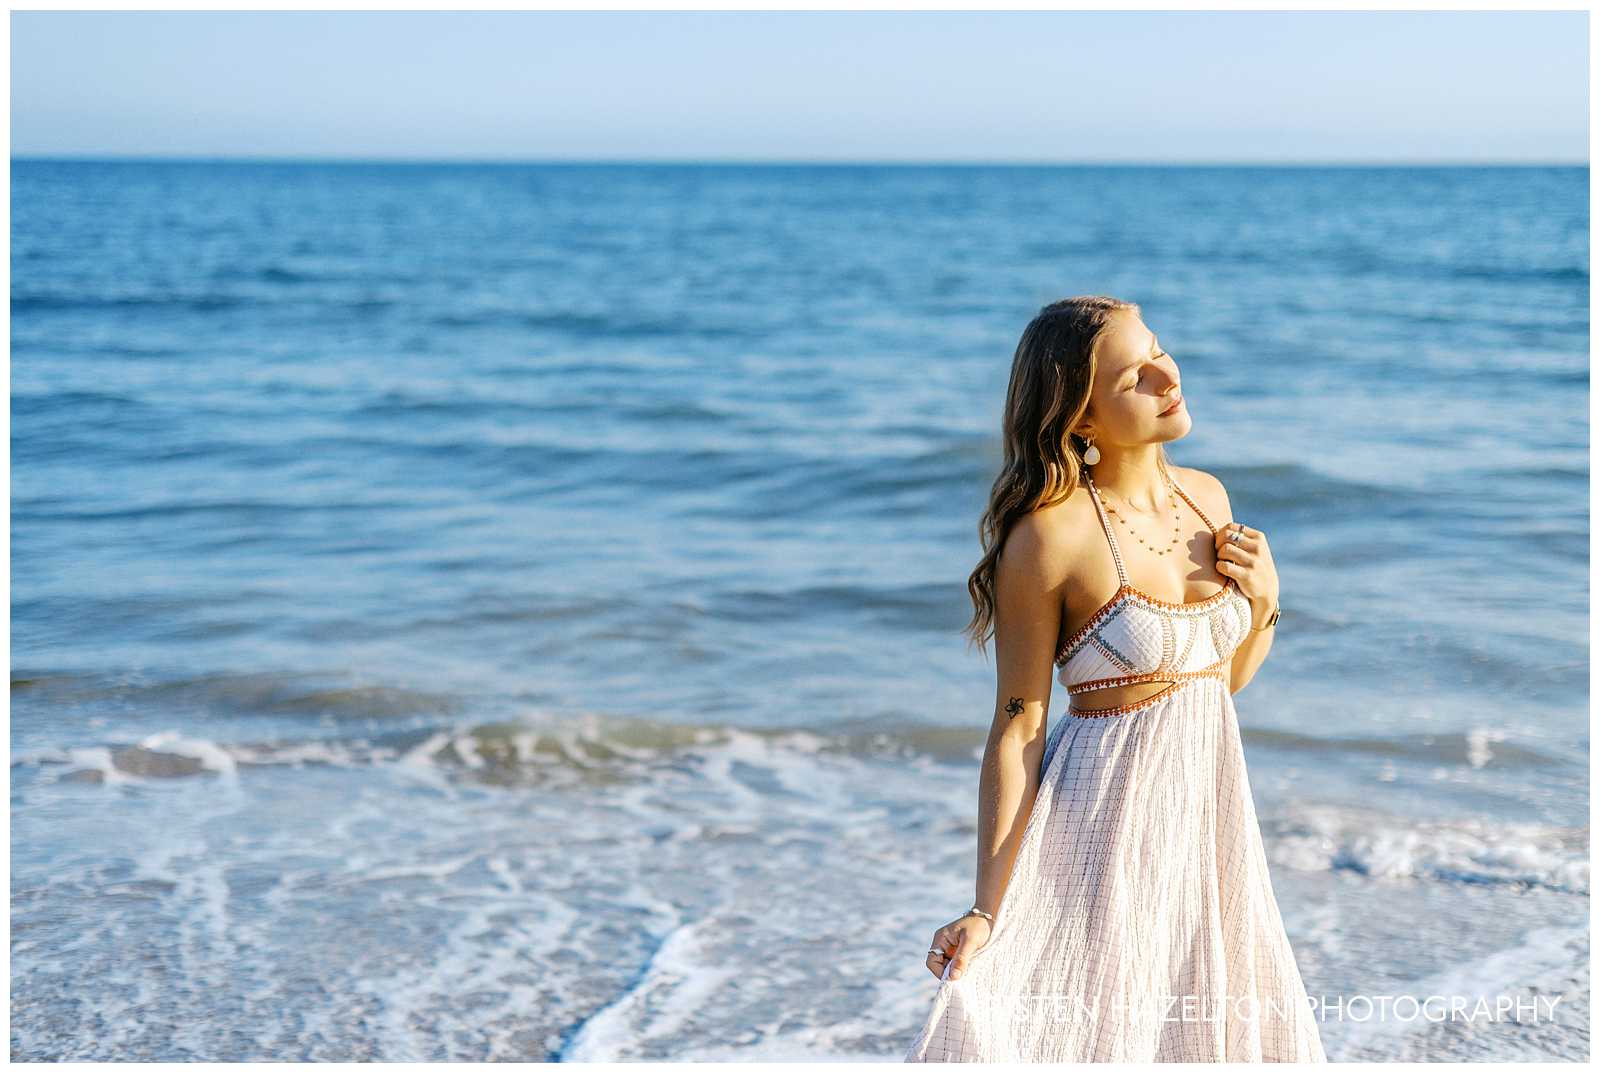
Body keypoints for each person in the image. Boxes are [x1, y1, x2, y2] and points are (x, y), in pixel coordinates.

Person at [902, 296, 1326, 1062]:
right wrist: (986, 906)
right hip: (1101, 828)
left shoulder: (1210, 495)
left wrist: (1266, 600)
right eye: (1137, 374)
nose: (1170, 376)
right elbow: (1019, 726)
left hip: (1207, 823)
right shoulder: (1048, 537)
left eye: (1160, 350)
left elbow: (1215, 685)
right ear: (1080, 418)